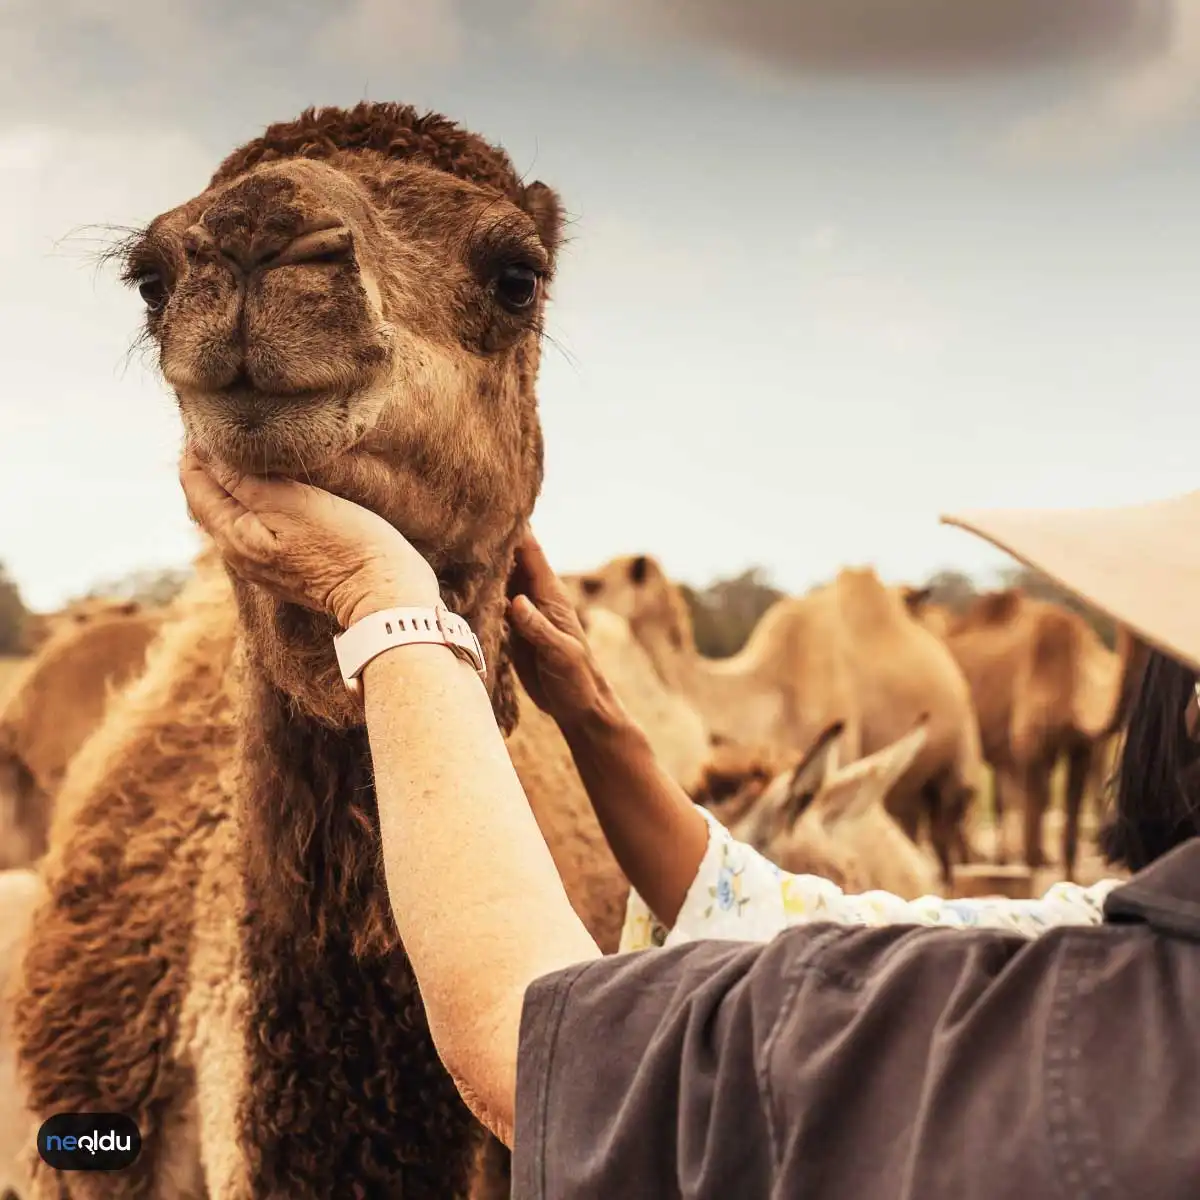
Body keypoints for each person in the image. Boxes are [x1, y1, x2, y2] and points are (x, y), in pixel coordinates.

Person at [181, 451, 1200, 1199]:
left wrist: (387, 610)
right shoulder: (1099, 948)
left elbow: (531, 1042)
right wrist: (595, 719)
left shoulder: (1089, 1034)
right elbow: (800, 927)